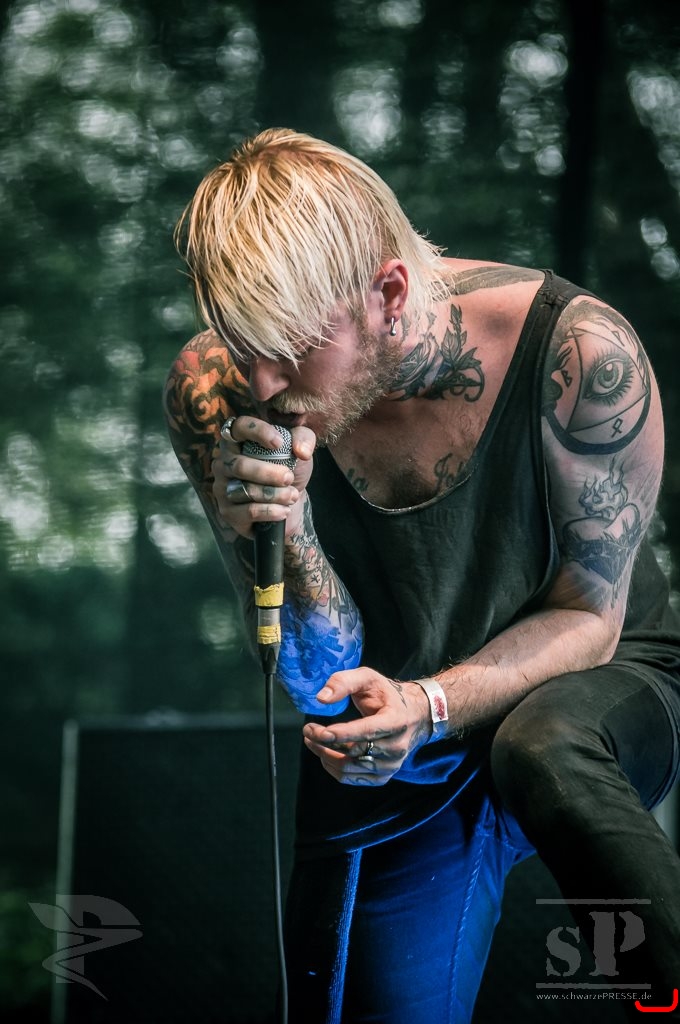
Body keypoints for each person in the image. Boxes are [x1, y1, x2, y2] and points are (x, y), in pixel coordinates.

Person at [164, 128, 680, 1022]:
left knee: (544, 745)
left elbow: (590, 616)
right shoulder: (217, 389)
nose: (264, 382)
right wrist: (293, 534)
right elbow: (315, 680)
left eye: (288, 347)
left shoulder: (582, 355)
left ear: (389, 295)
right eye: (242, 344)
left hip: (596, 676)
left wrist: (433, 701)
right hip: (397, 727)